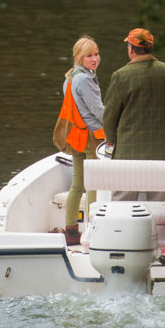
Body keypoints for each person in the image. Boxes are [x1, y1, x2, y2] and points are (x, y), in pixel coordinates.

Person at [102, 28, 165, 201]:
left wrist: (110, 139)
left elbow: (109, 117)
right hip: (162, 153)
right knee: (160, 206)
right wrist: (164, 128)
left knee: (122, 205)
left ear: (131, 49)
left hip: (128, 154)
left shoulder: (120, 76)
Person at [53, 35, 105, 245]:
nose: (94, 59)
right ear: (79, 57)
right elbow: (98, 110)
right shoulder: (84, 79)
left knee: (77, 184)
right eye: (88, 55)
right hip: (91, 136)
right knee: (93, 184)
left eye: (96, 54)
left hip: (75, 135)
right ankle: (93, 229)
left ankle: (71, 230)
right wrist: (115, 123)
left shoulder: (70, 77)